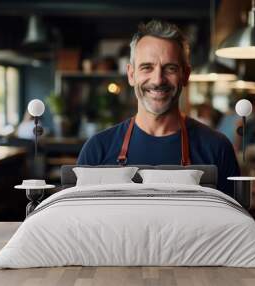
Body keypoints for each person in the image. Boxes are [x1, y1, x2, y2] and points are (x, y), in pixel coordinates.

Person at [77, 20, 240, 197]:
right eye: (147, 67)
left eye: (170, 69)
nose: (157, 80)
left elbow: (232, 220)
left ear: (185, 75)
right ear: (132, 75)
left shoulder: (217, 148)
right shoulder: (97, 150)